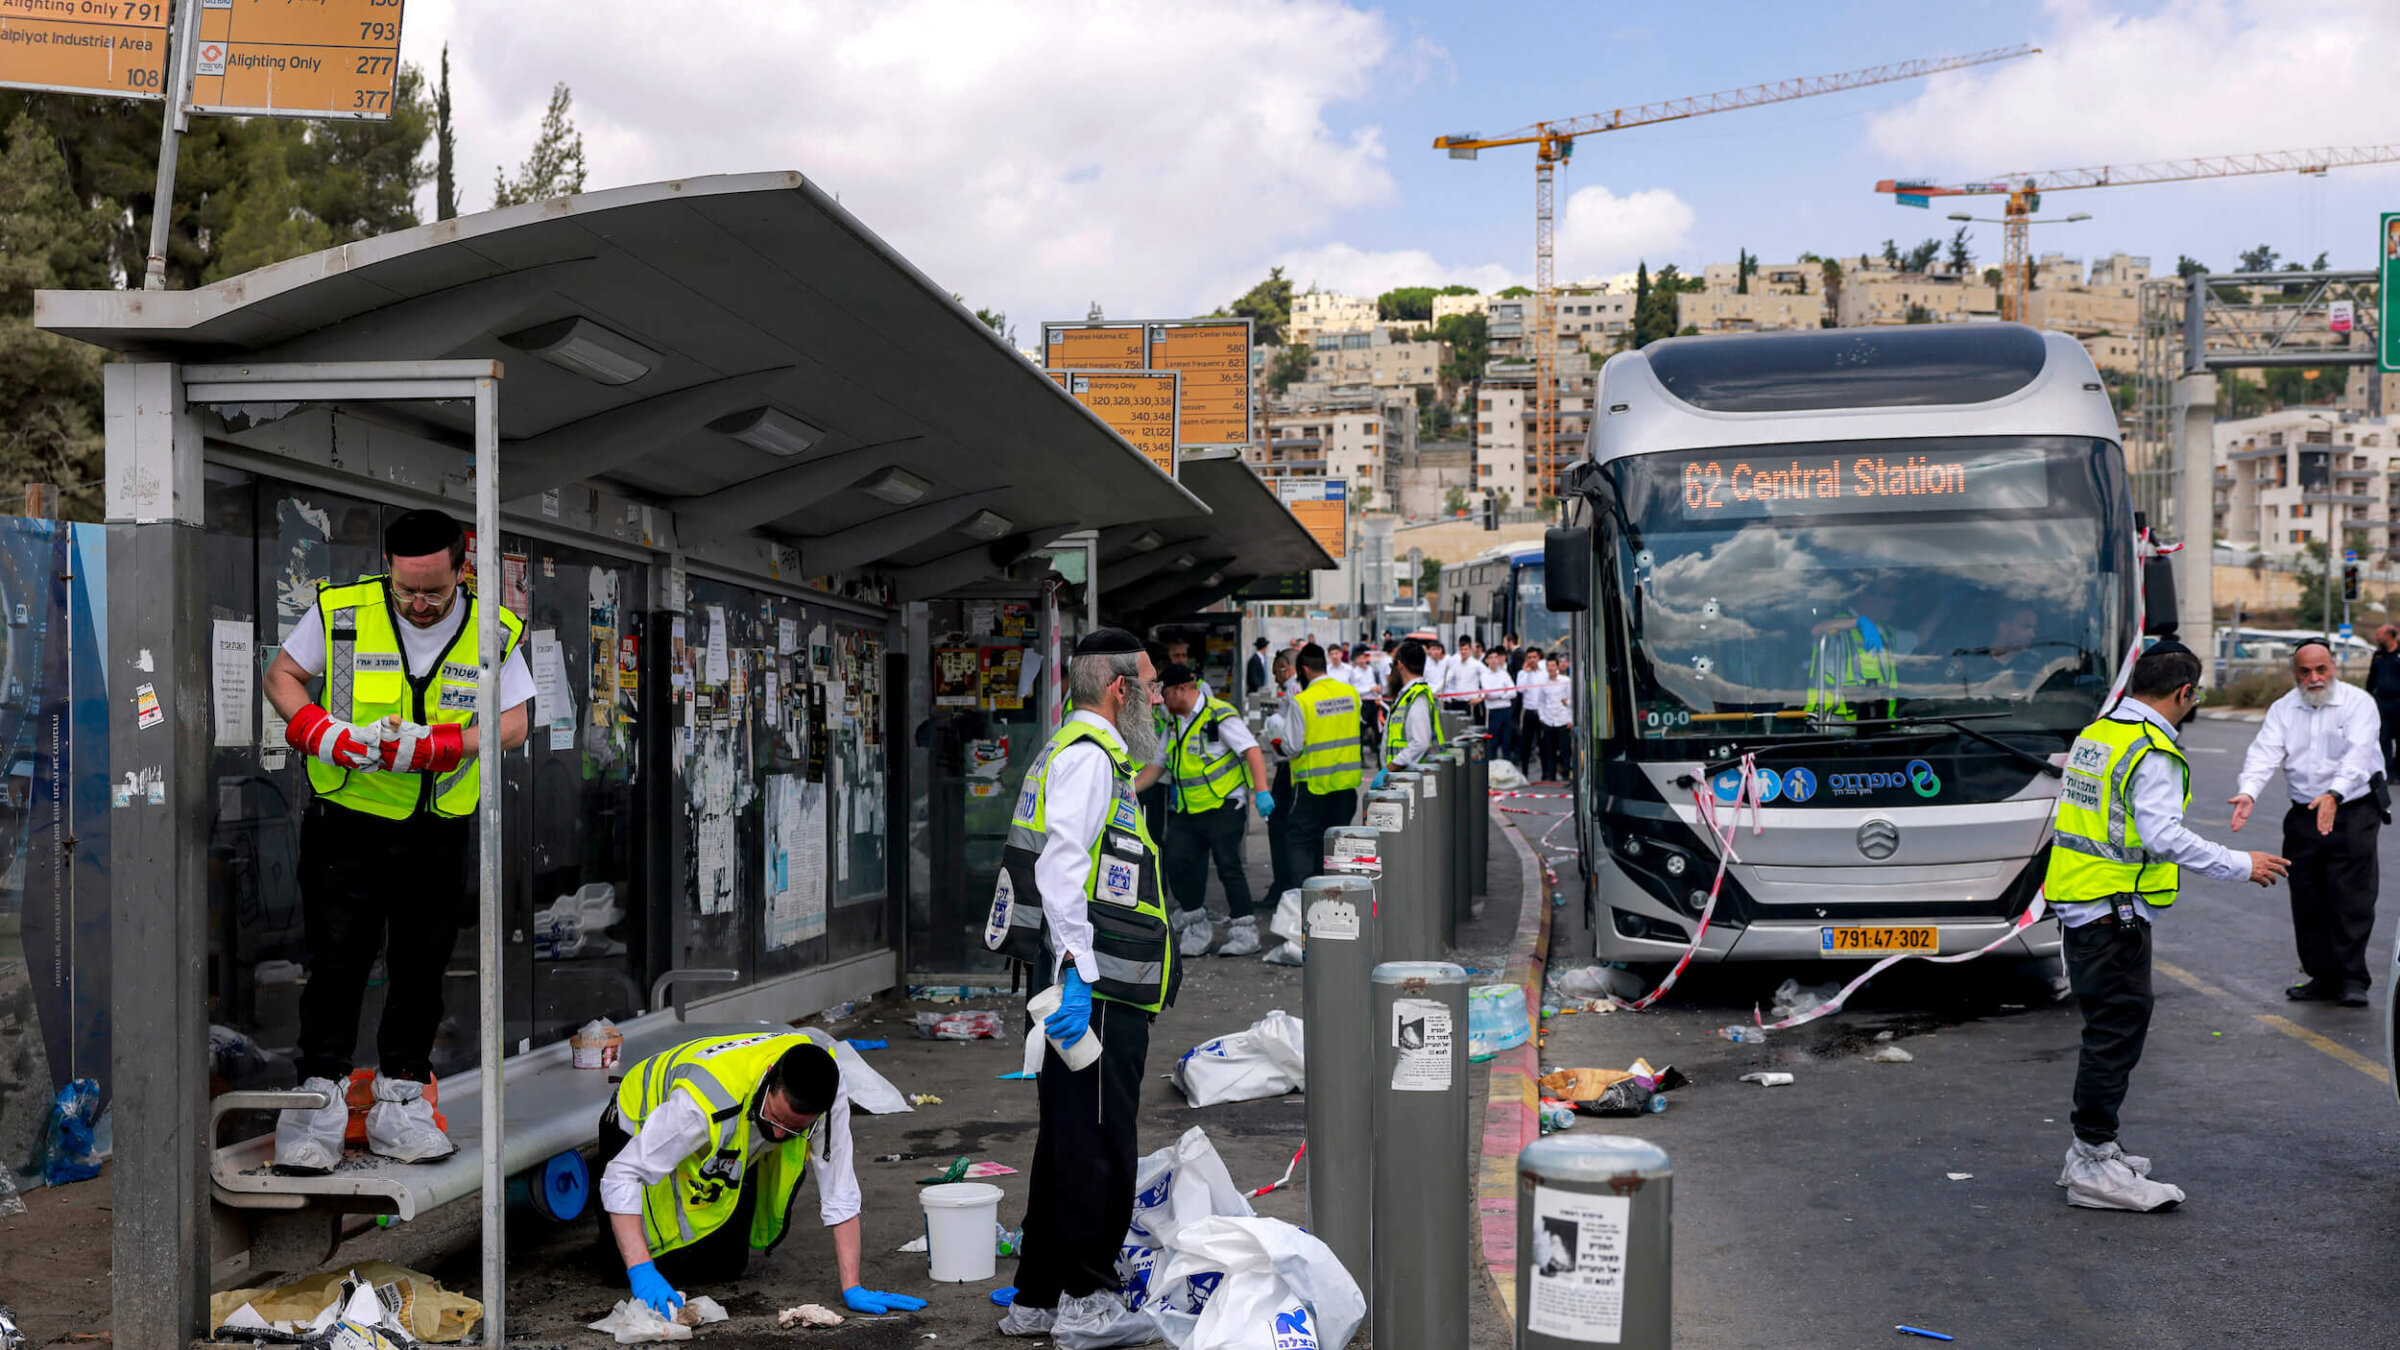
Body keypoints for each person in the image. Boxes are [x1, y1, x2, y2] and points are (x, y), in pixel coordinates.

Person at [264, 509, 533, 1172]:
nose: (417, 604)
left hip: (435, 828)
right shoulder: (345, 610)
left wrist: (444, 745)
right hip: (345, 825)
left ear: (460, 569)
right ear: (389, 569)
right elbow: (282, 678)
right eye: (406, 589)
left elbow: (513, 724)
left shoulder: (490, 629)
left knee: (421, 967)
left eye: (432, 592)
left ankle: (401, 1102)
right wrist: (319, 732)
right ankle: (316, 1103)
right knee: (335, 964)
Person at [2045, 642, 2287, 1211]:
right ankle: (2092, 1161)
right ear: (2185, 694)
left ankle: (2092, 1152)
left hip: (2085, 901)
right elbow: (2163, 837)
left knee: (2110, 1026)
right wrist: (2239, 864)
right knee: (2116, 1032)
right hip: (2111, 910)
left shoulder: (2099, 732)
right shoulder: (2150, 750)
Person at [986, 629, 1175, 1343]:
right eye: (1151, 685)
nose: (1158, 697)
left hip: (1078, 977)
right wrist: (1076, 979)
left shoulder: (1070, 750)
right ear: (1120, 689)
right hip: (1092, 987)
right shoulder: (1089, 760)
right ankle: (1089, 1300)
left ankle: (1037, 1297)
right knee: (1099, 1142)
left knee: (1067, 1138)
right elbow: (1062, 873)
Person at [600, 1032, 925, 1319]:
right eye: (778, 1119)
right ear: (770, 1078)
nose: (781, 1137)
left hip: (728, 1133)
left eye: (797, 1129)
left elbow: (839, 1182)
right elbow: (621, 1175)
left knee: (726, 1265)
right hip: (636, 1120)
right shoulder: (697, 1107)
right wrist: (642, 1270)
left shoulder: (827, 1088)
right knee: (623, 1268)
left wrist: (852, 1286)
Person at [2230, 638, 2386, 1006]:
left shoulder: (2358, 703)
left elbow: (2359, 755)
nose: (2315, 678)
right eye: (2305, 671)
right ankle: (2322, 976)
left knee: (2350, 896)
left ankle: (2352, 979)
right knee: (2307, 896)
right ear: (2294, 673)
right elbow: (2265, 752)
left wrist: (2335, 794)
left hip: (2353, 809)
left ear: (2334, 666)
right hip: (2304, 814)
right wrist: (2248, 792)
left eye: (2322, 669)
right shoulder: (2284, 708)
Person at [1159, 664, 1273, 957]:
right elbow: (1157, 765)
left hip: (1224, 804)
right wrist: (1129, 788)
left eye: (1165, 692)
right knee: (1177, 862)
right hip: (1188, 809)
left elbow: (1252, 750)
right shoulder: (1173, 722)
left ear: (1181, 689)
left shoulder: (1219, 715)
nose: (1161, 699)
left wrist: (1261, 792)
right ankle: (1197, 927)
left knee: (1228, 866)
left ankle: (1245, 932)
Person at [1276, 643, 1363, 893]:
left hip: (1310, 789)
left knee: (1300, 843)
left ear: (1303, 670)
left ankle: (1304, 903)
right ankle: (1337, 903)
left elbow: (1292, 747)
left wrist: (1276, 744)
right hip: (1345, 786)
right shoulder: (1351, 693)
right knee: (1335, 847)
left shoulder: (1302, 701)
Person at [1374, 640, 1441, 788]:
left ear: (1400, 665)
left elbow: (1420, 743)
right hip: (1403, 777)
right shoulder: (1407, 695)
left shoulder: (1417, 697)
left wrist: (1389, 768)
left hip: (1409, 780)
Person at [1262, 651, 1301, 903]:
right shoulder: (1296, 689)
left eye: (1277, 671)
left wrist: (1273, 731)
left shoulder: (1292, 691)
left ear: (1285, 668)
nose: (1275, 678)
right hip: (1290, 769)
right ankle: (1283, 884)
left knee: (1280, 826)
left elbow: (1289, 736)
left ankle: (1284, 885)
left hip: (1290, 767)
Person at [1536, 651, 1575, 782]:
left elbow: (1572, 700)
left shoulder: (1565, 681)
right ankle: (1550, 775)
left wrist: (1571, 719)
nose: (1551, 668)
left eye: (1553, 665)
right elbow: (1540, 702)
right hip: (1548, 719)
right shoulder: (1543, 682)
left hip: (1563, 719)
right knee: (1549, 750)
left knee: (1564, 749)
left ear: (1558, 667)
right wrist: (1542, 717)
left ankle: (1565, 774)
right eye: (1549, 666)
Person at [1481, 648, 1520, 766]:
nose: (1493, 660)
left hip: (1506, 710)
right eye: (1491, 658)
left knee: (1506, 742)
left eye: (1495, 658)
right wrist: (1504, 693)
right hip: (1493, 711)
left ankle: (1507, 768)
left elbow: (1513, 692)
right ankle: (1492, 769)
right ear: (1487, 660)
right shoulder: (1484, 675)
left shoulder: (1504, 673)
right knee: (1493, 742)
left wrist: (1501, 695)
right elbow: (1489, 694)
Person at [2369, 624, 2400, 772]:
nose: (2376, 637)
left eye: (2379, 634)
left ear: (2388, 636)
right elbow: (2372, 677)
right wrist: (2367, 695)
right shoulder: (2378, 655)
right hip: (2382, 702)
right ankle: (2387, 770)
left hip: (2399, 702)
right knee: (2383, 737)